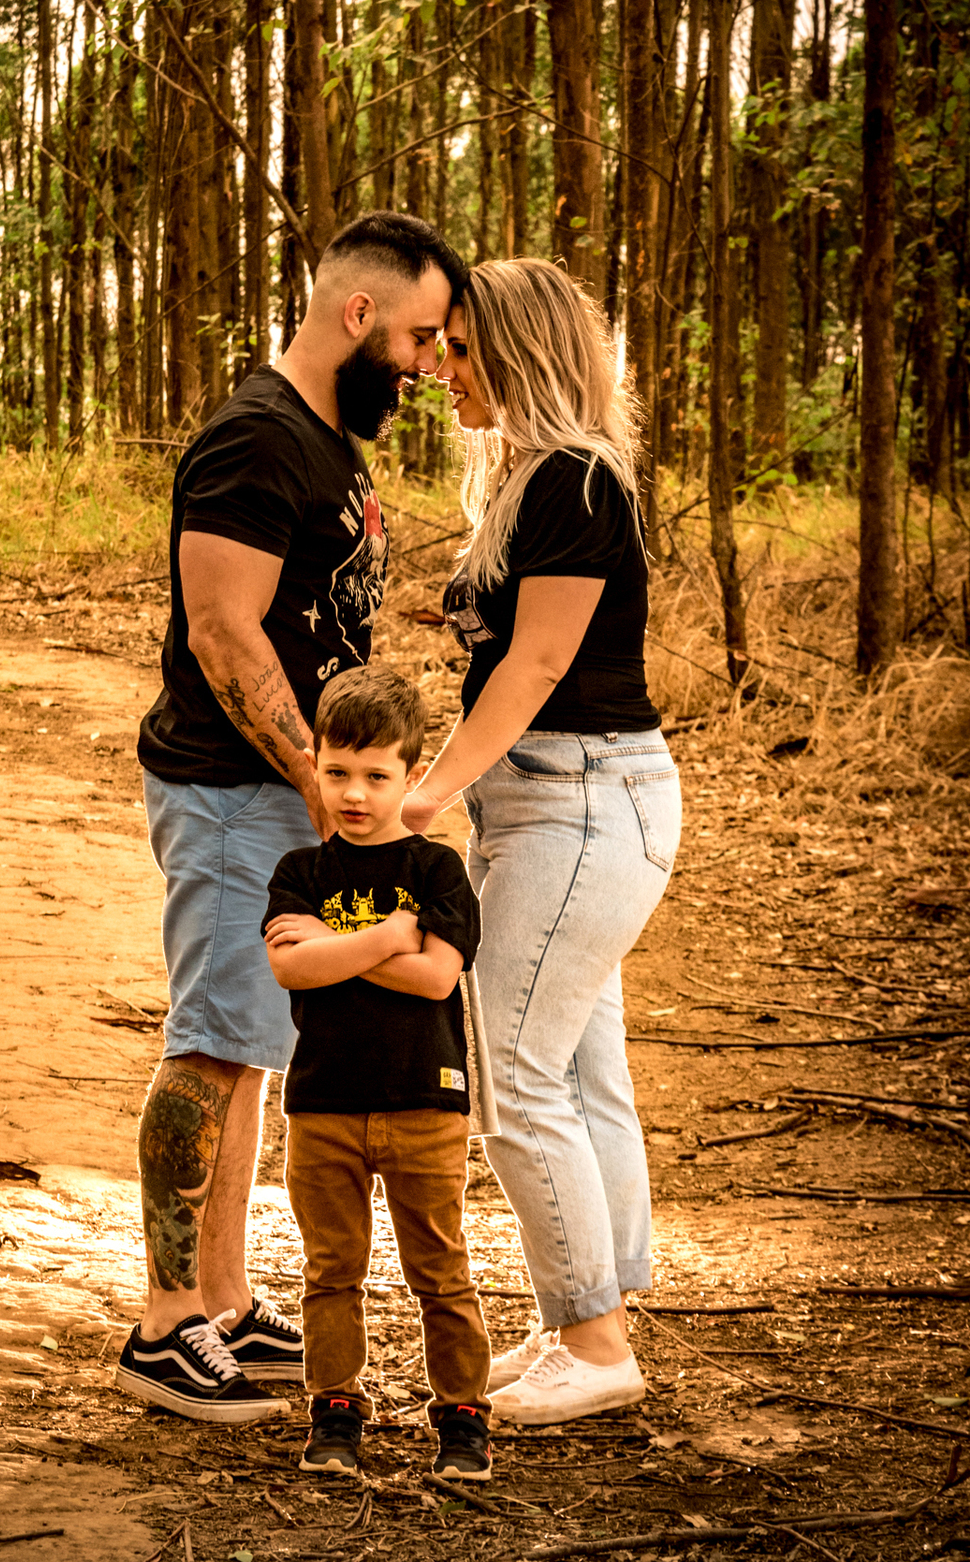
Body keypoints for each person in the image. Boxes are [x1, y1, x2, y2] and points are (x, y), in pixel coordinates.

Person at [115, 213, 467, 1424]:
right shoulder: (257, 438)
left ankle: (220, 1301)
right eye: (417, 336)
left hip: (282, 793)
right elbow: (222, 629)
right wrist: (320, 783)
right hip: (232, 790)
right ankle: (163, 1325)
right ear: (357, 313)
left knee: (253, 1045)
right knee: (209, 1043)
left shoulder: (328, 442)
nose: (425, 364)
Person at [402, 257, 682, 1426]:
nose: (443, 370)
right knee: (577, 1071)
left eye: (465, 349)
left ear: (523, 351)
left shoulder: (574, 480)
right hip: (558, 805)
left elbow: (538, 665)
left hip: (579, 802)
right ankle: (585, 1316)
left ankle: (595, 1344)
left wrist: (425, 793)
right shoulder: (534, 479)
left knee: (515, 1075)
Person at [263, 665, 493, 1479]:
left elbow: (436, 977)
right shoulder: (299, 871)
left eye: (376, 775)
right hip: (322, 1103)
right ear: (315, 765)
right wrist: (392, 934)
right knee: (331, 1270)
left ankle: (462, 1417)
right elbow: (290, 968)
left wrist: (335, 946)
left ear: (410, 773)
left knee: (441, 1268)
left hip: (425, 1101)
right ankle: (335, 1411)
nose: (354, 793)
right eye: (336, 772)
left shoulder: (437, 870)